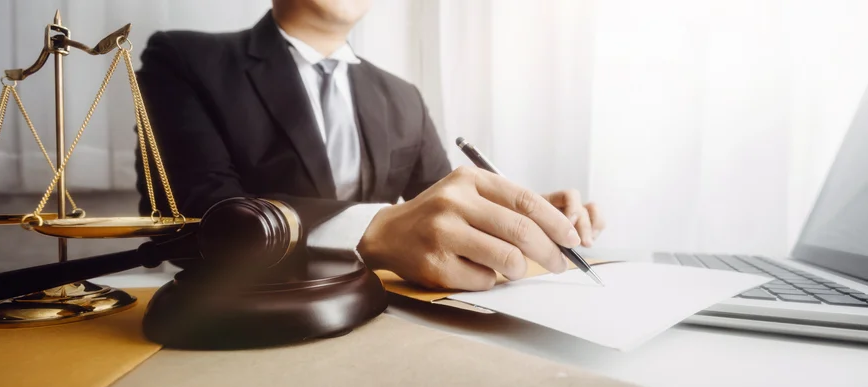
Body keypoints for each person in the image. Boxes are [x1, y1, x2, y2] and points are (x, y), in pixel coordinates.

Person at [135, 0, 605, 291]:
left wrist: (517, 217)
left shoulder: (403, 97)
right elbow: (190, 218)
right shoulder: (183, 59)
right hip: (241, 317)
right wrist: (372, 230)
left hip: (387, 313)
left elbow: (442, 208)